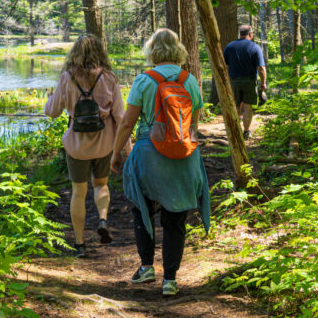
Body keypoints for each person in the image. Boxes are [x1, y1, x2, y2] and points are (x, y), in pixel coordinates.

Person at [110, 28, 210, 297]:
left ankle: (146, 268)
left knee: (142, 208)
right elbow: (193, 124)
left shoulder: (144, 81)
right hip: (184, 155)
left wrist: (116, 152)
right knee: (176, 218)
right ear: (178, 50)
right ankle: (170, 280)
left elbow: (127, 122)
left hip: (149, 153)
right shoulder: (189, 80)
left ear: (152, 50)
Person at [45, 34, 128, 258]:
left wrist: (50, 97)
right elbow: (120, 117)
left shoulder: (67, 78)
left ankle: (80, 244)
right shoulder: (109, 78)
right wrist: (126, 148)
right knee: (101, 184)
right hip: (104, 145)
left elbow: (51, 112)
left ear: (75, 53)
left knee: (78, 192)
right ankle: (102, 219)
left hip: (76, 147)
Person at [223, 24, 267, 140]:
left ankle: (235, 132)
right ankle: (246, 132)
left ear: (240, 34)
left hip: (234, 81)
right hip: (250, 81)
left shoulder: (230, 47)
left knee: (236, 106)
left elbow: (224, 65)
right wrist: (263, 83)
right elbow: (261, 68)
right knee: (247, 107)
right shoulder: (255, 47)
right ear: (250, 34)